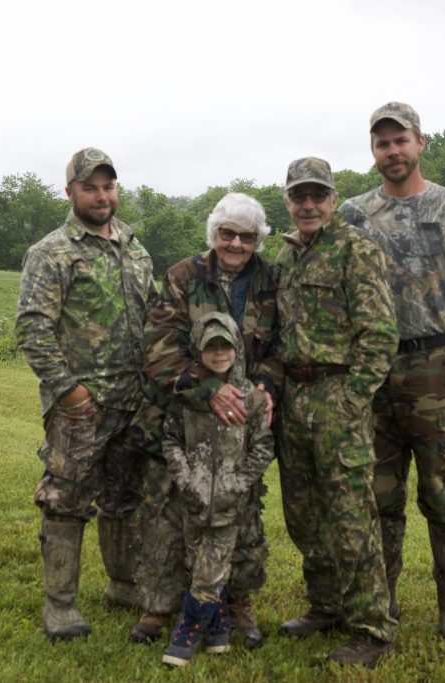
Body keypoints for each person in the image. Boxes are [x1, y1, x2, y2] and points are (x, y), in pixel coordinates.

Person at [339, 102, 445, 647]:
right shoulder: (355, 214)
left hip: (434, 367)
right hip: (372, 370)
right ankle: (381, 603)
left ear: (420, 143)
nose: (392, 151)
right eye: (382, 143)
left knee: (441, 491)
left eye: (400, 140)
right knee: (378, 493)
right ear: (373, 150)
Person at [15, 147, 156, 641]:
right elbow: (33, 329)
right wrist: (68, 391)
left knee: (126, 497)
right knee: (66, 499)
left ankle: (124, 584)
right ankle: (61, 605)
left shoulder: (135, 249)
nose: (101, 195)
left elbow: (152, 319)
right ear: (71, 191)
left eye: (108, 186)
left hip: (132, 401)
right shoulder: (52, 252)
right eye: (90, 186)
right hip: (81, 406)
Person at [130, 192, 281, 649]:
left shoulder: (270, 279)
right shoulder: (182, 275)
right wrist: (208, 390)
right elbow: (158, 347)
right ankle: (158, 606)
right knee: (166, 511)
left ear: (258, 239)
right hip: (179, 414)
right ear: (213, 233)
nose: (235, 243)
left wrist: (266, 387)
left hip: (242, 423)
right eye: (227, 233)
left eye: (246, 236)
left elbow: (282, 345)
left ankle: (238, 604)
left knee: (242, 511)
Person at [274, 157, 400, 667]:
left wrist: (355, 397)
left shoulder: (356, 250)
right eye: (299, 196)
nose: (308, 205)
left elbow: (380, 333)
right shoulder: (284, 256)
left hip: (337, 397)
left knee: (350, 515)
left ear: (332, 198)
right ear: (287, 200)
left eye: (317, 195)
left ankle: (372, 628)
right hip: (292, 398)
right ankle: (324, 606)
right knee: (303, 513)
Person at [159, 312, 275, 667]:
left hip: (230, 502)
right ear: (198, 350)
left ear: (237, 348)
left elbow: (263, 446)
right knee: (196, 561)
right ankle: (220, 627)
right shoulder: (187, 397)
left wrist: (238, 482)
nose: (220, 353)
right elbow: (171, 440)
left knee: (212, 565)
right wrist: (185, 478)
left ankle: (188, 628)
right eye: (212, 347)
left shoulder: (251, 398)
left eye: (226, 346)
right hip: (193, 499)